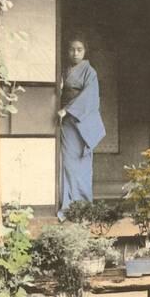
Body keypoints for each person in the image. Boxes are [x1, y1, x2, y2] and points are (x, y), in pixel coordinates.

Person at [56, 34, 106, 221]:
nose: (75, 53)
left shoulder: (89, 71)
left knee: (81, 163)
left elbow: (90, 97)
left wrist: (67, 109)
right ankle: (68, 204)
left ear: (85, 51)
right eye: (72, 49)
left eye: (79, 49)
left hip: (80, 122)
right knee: (67, 164)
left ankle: (83, 204)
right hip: (67, 123)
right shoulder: (63, 69)